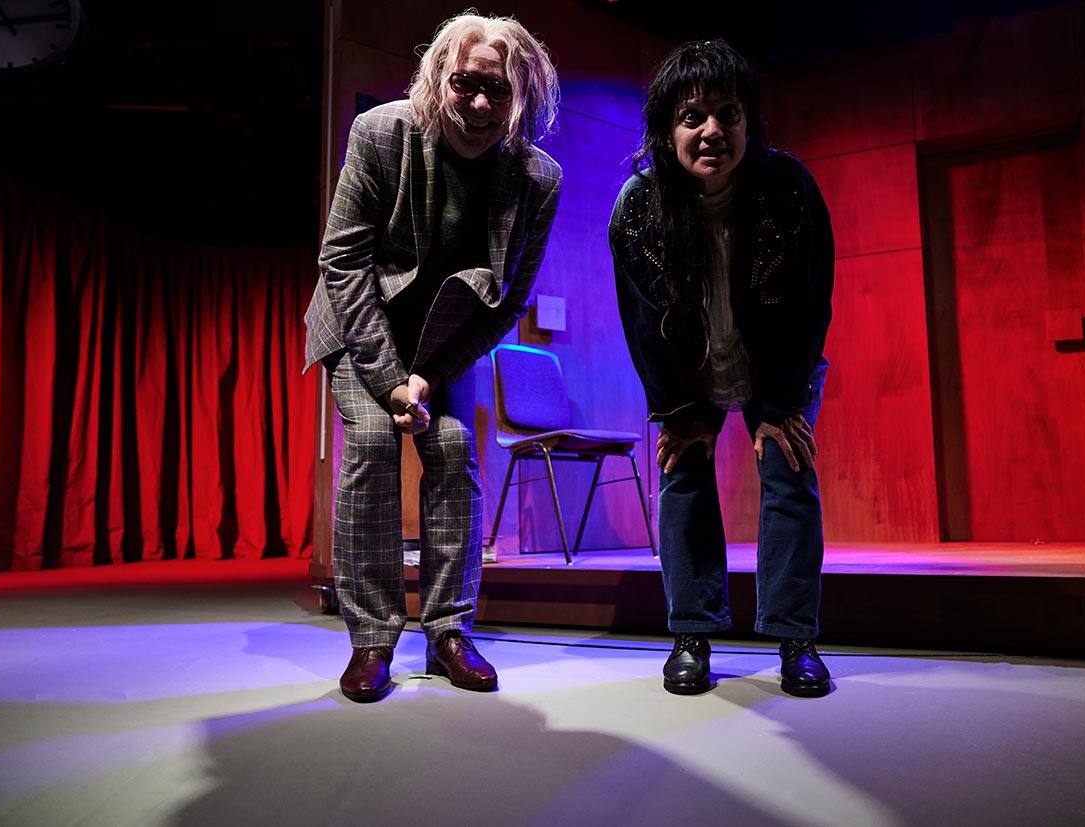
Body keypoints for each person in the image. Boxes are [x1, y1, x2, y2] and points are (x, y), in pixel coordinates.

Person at [304, 13, 561, 702]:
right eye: (465, 82)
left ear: (521, 97)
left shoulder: (538, 180)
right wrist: (392, 381)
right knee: (371, 446)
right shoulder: (380, 133)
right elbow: (343, 262)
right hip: (361, 324)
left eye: (498, 90)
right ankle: (372, 637)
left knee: (451, 448)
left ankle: (449, 631)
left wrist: (431, 374)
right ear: (439, 78)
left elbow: (507, 304)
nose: (479, 103)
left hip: (443, 344)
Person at [610, 39, 834, 697]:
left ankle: (796, 638)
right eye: (692, 117)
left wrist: (780, 407)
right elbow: (643, 324)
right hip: (689, 364)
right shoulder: (637, 207)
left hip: (778, 359)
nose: (712, 131)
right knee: (682, 471)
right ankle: (691, 634)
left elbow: (811, 301)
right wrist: (679, 414)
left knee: (788, 465)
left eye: (727, 114)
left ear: (749, 122)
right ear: (667, 130)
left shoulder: (789, 189)